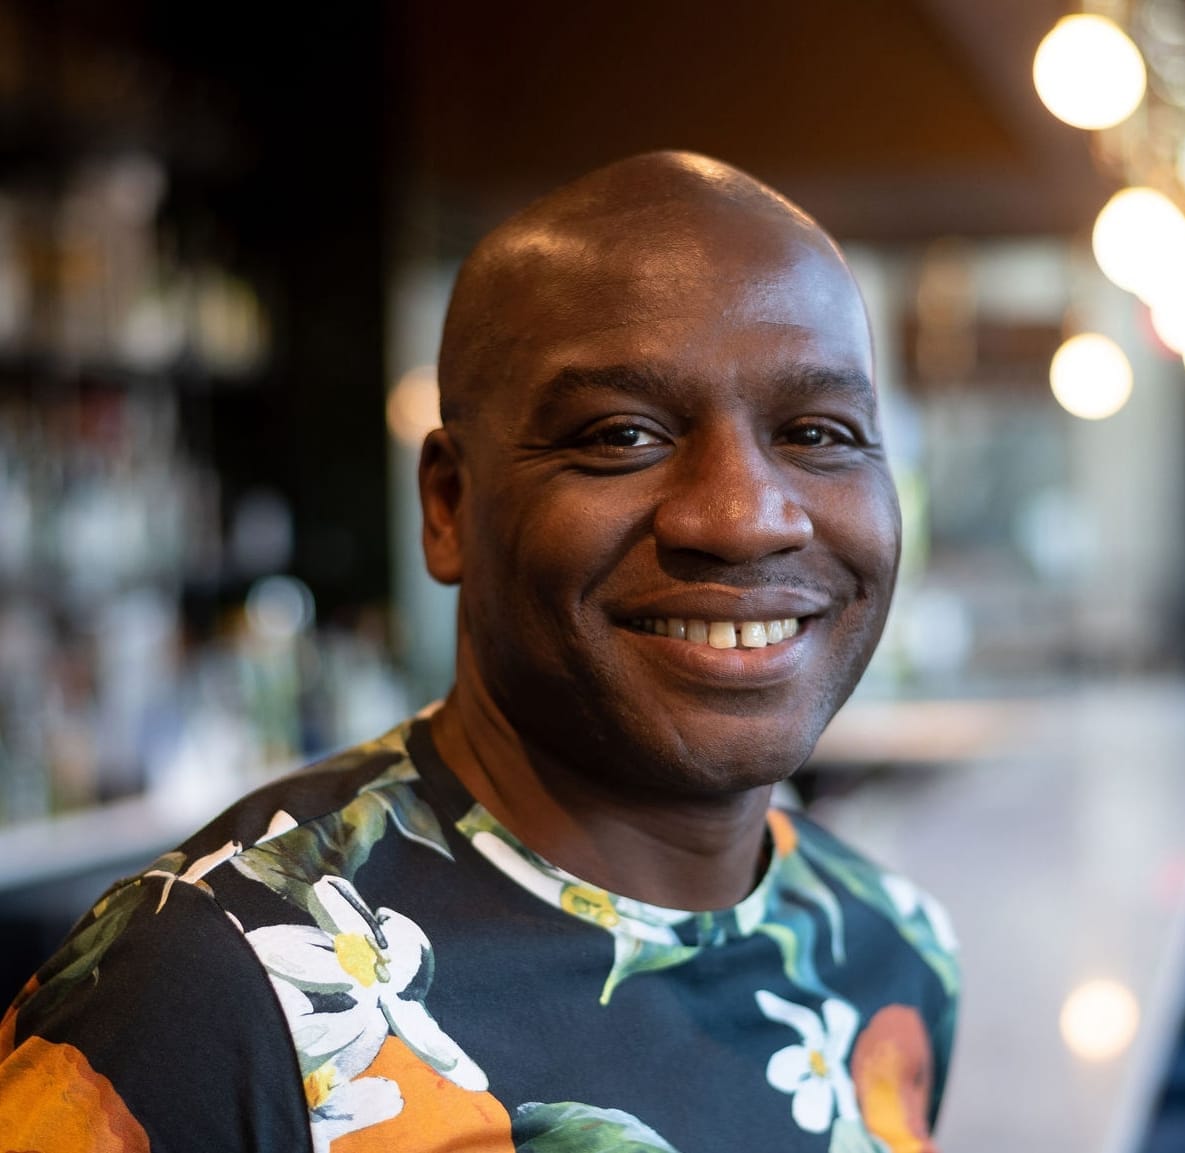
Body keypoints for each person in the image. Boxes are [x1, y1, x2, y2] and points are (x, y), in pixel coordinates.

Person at [0, 151, 958, 1152]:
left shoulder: (887, 946)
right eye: (623, 435)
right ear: (448, 505)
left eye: (818, 431)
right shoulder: (214, 985)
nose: (743, 516)